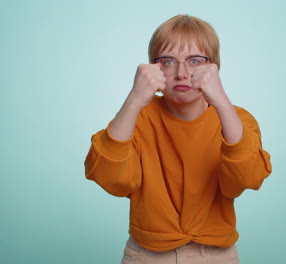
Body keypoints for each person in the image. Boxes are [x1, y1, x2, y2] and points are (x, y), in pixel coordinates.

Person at [84, 14, 272, 264]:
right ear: (152, 68)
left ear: (213, 66)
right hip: (146, 254)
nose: (182, 73)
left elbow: (246, 178)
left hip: (217, 255)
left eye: (195, 60)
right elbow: (112, 180)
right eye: (168, 61)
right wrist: (134, 99)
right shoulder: (137, 118)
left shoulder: (236, 119)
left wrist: (221, 101)